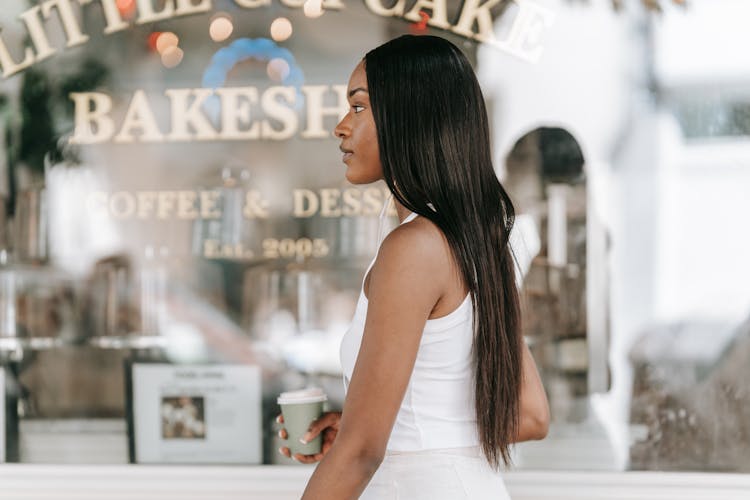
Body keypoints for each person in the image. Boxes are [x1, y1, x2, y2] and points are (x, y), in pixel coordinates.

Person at [277, 34, 550, 499]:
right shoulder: (475, 241)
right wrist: (384, 427)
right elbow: (530, 416)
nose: (341, 126)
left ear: (411, 117)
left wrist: (366, 435)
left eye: (359, 107)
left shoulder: (415, 248)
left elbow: (362, 452)